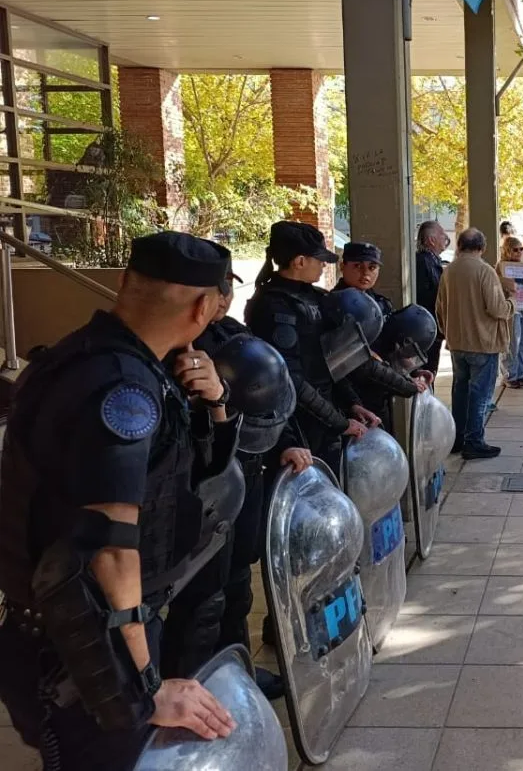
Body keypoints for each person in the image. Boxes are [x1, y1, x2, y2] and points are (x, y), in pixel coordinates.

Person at [0, 232, 240, 769]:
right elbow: (108, 546)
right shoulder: (122, 390)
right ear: (204, 307)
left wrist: (216, 406)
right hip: (86, 652)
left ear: (124, 283)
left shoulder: (88, 359)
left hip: (67, 635)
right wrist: (145, 685)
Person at [160, 263, 309, 698]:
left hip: (245, 471)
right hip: (199, 489)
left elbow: (273, 396)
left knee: (237, 581)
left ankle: (235, 668)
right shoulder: (173, 350)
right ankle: (196, 682)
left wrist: (287, 442)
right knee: (202, 597)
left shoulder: (230, 333)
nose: (223, 301)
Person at [245, 221, 378, 468]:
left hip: (324, 417)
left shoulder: (313, 298)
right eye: (318, 259)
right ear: (300, 262)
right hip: (298, 425)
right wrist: (339, 421)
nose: (323, 265)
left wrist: (351, 404)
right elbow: (290, 379)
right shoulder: (274, 306)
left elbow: (331, 362)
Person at [436, 227, 518, 458]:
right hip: (483, 343)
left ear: (460, 245)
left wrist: (448, 332)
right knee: (480, 394)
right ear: (482, 248)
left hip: (457, 342)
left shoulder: (448, 271)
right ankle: (474, 441)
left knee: (459, 392)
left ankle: (457, 438)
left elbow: (439, 307)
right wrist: (512, 301)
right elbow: (497, 309)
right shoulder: (485, 271)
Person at [332, 241, 431, 420]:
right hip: (350, 400)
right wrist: (406, 383)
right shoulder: (335, 305)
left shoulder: (381, 304)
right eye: (357, 266)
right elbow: (353, 362)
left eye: (372, 267)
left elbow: (392, 349)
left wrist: (412, 371)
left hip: (381, 394)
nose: (365, 273)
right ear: (342, 266)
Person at [497, 236, 523, 388]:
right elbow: (496, 284)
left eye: (521, 249)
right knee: (513, 342)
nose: (519, 252)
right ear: (507, 251)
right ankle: (510, 375)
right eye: (515, 249)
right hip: (513, 308)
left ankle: (521, 373)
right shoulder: (501, 266)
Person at [415, 220, 448, 381]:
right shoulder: (423, 262)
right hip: (426, 327)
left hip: (433, 327)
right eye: (442, 236)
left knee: (431, 369)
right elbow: (429, 296)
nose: (445, 240)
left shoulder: (433, 261)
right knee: (427, 371)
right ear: (431, 240)